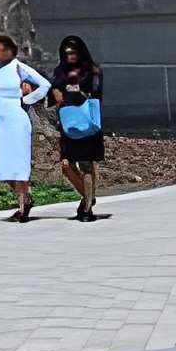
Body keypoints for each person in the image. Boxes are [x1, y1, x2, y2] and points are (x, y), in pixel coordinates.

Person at [0, 33, 52, 221]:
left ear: (12, 49)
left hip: (18, 118)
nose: (1, 54)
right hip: (1, 121)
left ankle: (22, 208)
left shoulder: (19, 68)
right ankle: (26, 198)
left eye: (4, 49)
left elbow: (45, 85)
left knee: (19, 164)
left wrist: (26, 99)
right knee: (3, 166)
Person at [53, 34, 106, 221]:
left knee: (87, 166)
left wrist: (76, 89)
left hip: (87, 125)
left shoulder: (91, 71)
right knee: (66, 166)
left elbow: (95, 95)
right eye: (67, 52)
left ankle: (86, 209)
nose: (70, 56)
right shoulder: (60, 72)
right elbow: (53, 97)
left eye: (74, 52)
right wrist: (56, 93)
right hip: (68, 126)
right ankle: (88, 197)